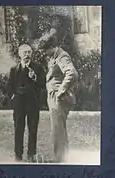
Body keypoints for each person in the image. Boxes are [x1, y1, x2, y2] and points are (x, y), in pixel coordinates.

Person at [38, 28, 79, 163]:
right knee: (60, 130)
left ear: (51, 47)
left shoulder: (62, 56)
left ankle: (59, 160)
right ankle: (64, 158)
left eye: (45, 51)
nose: (44, 54)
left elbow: (72, 73)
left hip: (59, 99)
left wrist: (61, 90)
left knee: (57, 131)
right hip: (55, 98)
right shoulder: (55, 56)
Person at [7, 44, 46, 162]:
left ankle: (31, 154)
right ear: (19, 54)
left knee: (32, 128)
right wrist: (13, 97)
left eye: (29, 52)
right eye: (24, 53)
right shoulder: (14, 69)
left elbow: (43, 84)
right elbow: (9, 86)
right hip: (19, 104)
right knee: (18, 128)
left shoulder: (38, 68)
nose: (27, 55)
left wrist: (34, 78)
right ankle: (18, 154)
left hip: (32, 103)